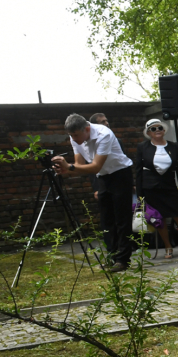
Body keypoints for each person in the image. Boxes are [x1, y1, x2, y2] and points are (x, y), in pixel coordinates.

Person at [51, 114, 134, 272]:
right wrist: (65, 169)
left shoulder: (104, 134)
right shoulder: (75, 137)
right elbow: (79, 165)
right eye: (71, 136)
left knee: (121, 219)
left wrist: (69, 168)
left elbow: (95, 166)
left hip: (120, 174)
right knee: (106, 220)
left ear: (86, 129)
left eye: (75, 135)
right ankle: (112, 257)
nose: (74, 139)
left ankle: (123, 259)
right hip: (103, 177)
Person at [133, 119, 178, 259]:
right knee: (158, 218)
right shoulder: (143, 147)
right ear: (148, 132)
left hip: (169, 185)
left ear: (164, 130)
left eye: (159, 128)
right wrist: (140, 193)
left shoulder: (174, 146)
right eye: (153, 129)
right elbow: (138, 171)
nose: (157, 131)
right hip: (151, 187)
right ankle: (168, 246)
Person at [88, 112, 118, 257]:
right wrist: (96, 188)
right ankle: (111, 251)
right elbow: (92, 167)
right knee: (107, 220)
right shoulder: (92, 142)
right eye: (102, 122)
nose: (106, 124)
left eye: (107, 121)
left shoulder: (113, 138)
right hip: (102, 183)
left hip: (117, 181)